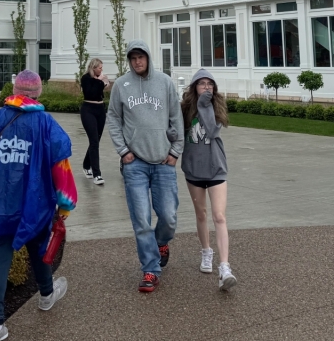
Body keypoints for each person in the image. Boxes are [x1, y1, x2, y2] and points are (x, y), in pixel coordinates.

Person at [0, 70, 76, 341]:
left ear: (14, 91)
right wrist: (66, 203)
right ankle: (46, 294)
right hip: (35, 202)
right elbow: (61, 166)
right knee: (38, 245)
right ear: (38, 92)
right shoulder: (46, 123)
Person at [106, 40, 183, 293]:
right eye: (133, 58)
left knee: (169, 217)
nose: (137, 61)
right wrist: (123, 151)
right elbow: (113, 118)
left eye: (141, 57)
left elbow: (176, 117)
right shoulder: (121, 85)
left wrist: (175, 151)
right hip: (135, 164)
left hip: (163, 162)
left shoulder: (165, 83)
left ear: (148, 57)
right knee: (141, 221)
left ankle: (161, 243)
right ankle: (150, 269)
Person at [181, 68, 236, 291]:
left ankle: (224, 268)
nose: (206, 87)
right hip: (194, 169)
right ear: (194, 87)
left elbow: (212, 131)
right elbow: (176, 132)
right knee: (201, 214)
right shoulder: (185, 109)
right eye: (202, 83)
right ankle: (206, 251)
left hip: (216, 168)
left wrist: (205, 105)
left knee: (219, 216)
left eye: (210, 83)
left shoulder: (216, 106)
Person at [79, 57, 110, 186]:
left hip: (100, 109)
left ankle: (86, 165)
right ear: (93, 68)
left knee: (96, 140)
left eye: (102, 68)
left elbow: (104, 89)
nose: (101, 70)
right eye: (99, 68)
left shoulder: (99, 79)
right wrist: (101, 82)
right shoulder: (86, 78)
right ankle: (97, 174)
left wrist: (104, 83)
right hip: (88, 110)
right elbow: (91, 92)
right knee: (94, 141)